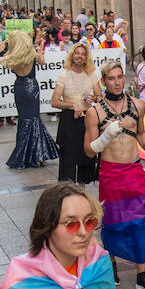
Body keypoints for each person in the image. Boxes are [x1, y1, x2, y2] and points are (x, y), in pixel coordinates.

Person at [85, 61, 145, 289]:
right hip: (111, 174)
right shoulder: (95, 112)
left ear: (124, 78)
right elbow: (89, 150)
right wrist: (105, 137)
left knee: (142, 221)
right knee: (112, 222)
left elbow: (141, 134)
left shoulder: (138, 105)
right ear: (103, 81)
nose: (116, 82)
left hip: (134, 171)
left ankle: (142, 274)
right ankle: (112, 266)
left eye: (119, 77)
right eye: (111, 78)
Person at [2, 30, 59, 169]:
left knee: (24, 119)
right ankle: (38, 155)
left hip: (20, 88)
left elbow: (5, 62)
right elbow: (42, 62)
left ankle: (26, 155)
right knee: (34, 119)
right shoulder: (32, 54)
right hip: (32, 87)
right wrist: (38, 47)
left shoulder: (11, 57)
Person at [52, 43, 101, 184]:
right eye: (77, 53)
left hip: (87, 119)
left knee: (87, 154)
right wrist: (72, 105)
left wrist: (94, 98)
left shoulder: (91, 75)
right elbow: (54, 101)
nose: (80, 56)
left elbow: (99, 96)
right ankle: (67, 189)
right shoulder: (64, 75)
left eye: (83, 54)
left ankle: (82, 189)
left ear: (86, 57)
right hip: (69, 120)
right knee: (68, 157)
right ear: (72, 56)